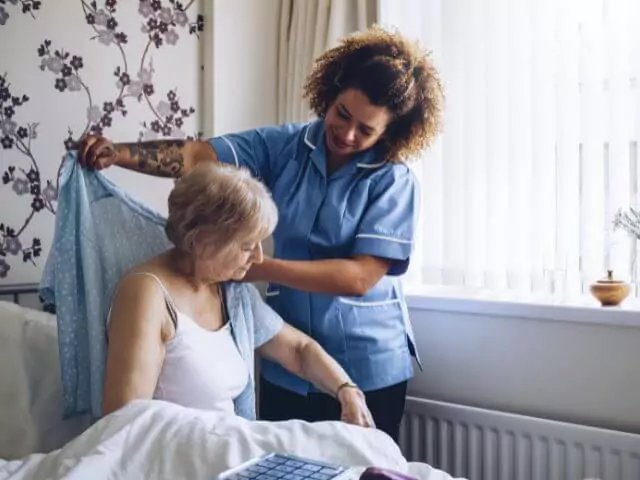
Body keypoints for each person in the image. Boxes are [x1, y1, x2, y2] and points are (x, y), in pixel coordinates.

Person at [79, 25, 444, 442]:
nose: (346, 133)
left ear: (391, 133)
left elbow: (358, 278)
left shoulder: (393, 181)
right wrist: (118, 154)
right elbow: (198, 156)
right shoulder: (285, 146)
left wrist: (251, 266)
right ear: (331, 92)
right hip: (287, 369)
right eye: (343, 114)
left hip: (367, 363)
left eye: (366, 130)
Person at [102, 161, 374, 430]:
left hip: (224, 452)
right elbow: (124, 424)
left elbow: (298, 350)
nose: (258, 257)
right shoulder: (147, 294)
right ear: (202, 241)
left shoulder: (232, 293)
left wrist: (346, 389)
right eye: (247, 246)